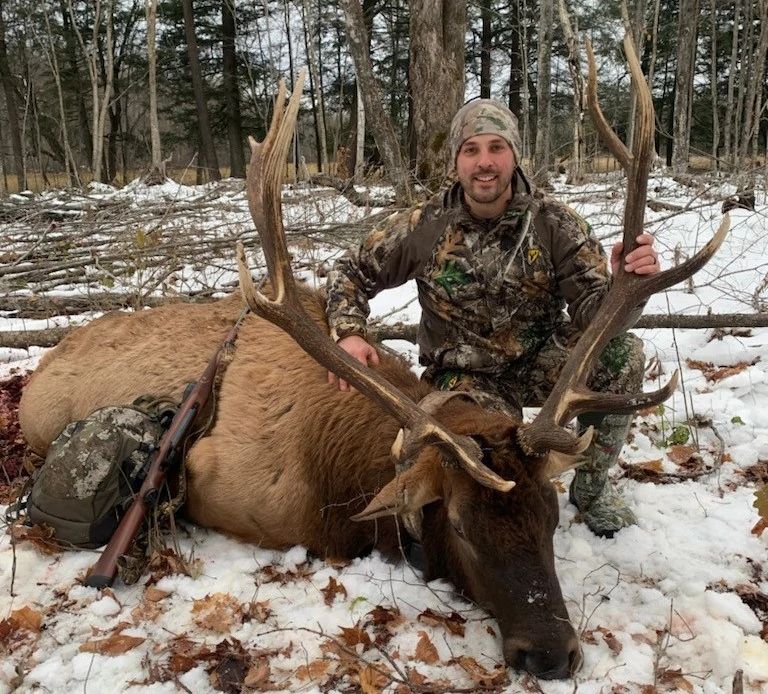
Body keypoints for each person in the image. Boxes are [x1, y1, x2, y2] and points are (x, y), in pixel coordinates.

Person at [325, 99, 660, 538]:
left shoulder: (556, 223)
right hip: (466, 382)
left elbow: (596, 315)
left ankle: (592, 490)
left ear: (515, 155)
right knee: (494, 478)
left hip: (544, 365)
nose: (484, 162)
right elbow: (350, 272)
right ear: (457, 161)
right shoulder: (425, 225)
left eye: (497, 147)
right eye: (471, 150)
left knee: (621, 354)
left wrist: (626, 287)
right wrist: (349, 332)